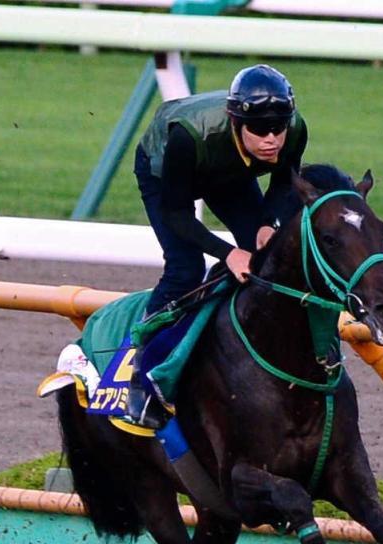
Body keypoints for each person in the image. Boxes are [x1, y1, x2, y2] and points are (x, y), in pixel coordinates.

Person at [127, 63, 308, 427]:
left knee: (267, 260)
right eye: (260, 130)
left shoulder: (296, 130)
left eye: (278, 128)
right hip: (167, 171)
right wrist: (228, 253)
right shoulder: (186, 138)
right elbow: (177, 214)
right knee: (186, 269)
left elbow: (283, 184)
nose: (272, 139)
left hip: (228, 170)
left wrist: (267, 223)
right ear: (237, 122)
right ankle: (141, 374)